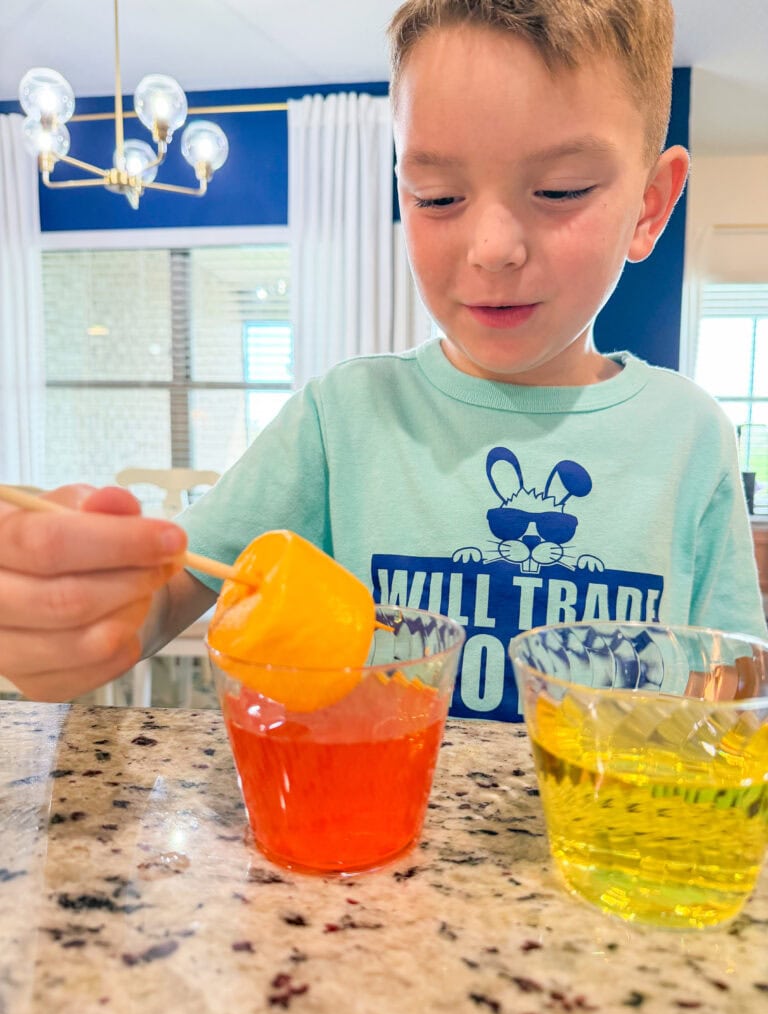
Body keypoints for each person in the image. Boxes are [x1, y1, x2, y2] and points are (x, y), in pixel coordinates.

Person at [1, 0, 765, 718]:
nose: (493, 248)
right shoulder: (344, 418)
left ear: (652, 205)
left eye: (560, 190)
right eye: (436, 196)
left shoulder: (690, 436)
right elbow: (174, 590)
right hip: (364, 842)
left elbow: (731, 687)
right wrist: (87, 614)